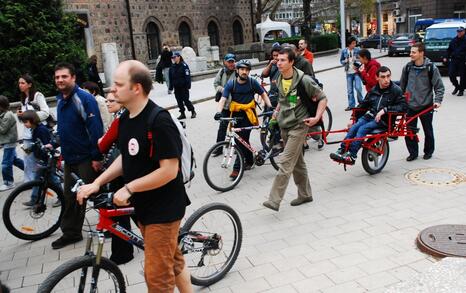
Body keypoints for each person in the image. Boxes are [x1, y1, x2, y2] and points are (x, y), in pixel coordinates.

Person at [77, 60, 193, 293]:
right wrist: (97, 183)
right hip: (144, 207)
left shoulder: (159, 120)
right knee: (172, 259)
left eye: (118, 85)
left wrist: (129, 188)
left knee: (157, 278)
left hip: (164, 210)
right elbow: (126, 159)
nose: (112, 90)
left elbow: (169, 170)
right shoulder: (126, 119)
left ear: (136, 88)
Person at [262, 47, 327, 212]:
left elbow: (322, 98)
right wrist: (274, 117)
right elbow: (282, 102)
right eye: (278, 60)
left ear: (291, 62)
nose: (279, 62)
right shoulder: (279, 77)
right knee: (298, 163)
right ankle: (305, 194)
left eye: (283, 60)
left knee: (286, 162)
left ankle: (274, 199)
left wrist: (317, 117)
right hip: (285, 125)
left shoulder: (304, 80)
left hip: (299, 125)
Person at [52, 62, 103, 249]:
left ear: (73, 78)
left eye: (64, 76)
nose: (60, 80)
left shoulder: (84, 98)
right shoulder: (60, 100)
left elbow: (95, 128)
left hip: (86, 157)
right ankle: (71, 233)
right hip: (69, 158)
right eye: (57, 77)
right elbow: (65, 128)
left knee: (96, 194)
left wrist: (97, 157)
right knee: (70, 197)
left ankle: (117, 224)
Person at [330, 66, 407, 165]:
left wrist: (385, 110)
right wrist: (352, 118)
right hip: (370, 116)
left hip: (384, 120)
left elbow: (403, 106)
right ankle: (342, 150)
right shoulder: (374, 90)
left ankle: (352, 155)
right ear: (377, 78)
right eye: (383, 77)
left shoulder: (396, 90)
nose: (386, 80)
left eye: (388, 76)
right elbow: (363, 105)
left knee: (362, 129)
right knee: (354, 127)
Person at [215, 59, 272, 179]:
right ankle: (250, 160)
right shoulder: (231, 84)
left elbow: (263, 94)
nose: (244, 72)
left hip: (248, 115)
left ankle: (237, 168)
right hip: (235, 115)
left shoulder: (252, 83)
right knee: (242, 140)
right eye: (242, 69)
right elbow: (223, 99)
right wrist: (218, 112)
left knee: (241, 140)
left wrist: (270, 107)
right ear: (237, 70)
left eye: (247, 70)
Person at [96, 92, 134, 265]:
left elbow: (103, 144)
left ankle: (123, 253)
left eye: (112, 101)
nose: (108, 103)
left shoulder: (121, 119)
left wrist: (101, 141)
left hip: (126, 174)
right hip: (123, 171)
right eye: (107, 101)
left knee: (121, 210)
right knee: (127, 209)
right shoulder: (121, 117)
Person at [400, 42, 444, 161]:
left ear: (421, 53)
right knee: (409, 131)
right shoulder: (408, 67)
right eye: (411, 52)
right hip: (410, 105)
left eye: (413, 52)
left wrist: (438, 100)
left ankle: (428, 151)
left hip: (426, 106)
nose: (411, 54)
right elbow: (401, 86)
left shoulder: (431, 68)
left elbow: (439, 86)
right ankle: (413, 153)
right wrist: (401, 101)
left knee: (428, 130)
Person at [20, 110, 61, 206]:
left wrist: (45, 158)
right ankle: (34, 199)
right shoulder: (34, 129)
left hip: (47, 159)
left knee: (53, 179)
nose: (24, 124)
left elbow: (46, 145)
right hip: (41, 159)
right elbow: (37, 144)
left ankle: (61, 196)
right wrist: (30, 149)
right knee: (37, 178)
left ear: (32, 120)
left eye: (26, 122)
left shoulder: (41, 130)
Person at [17, 74, 50, 188]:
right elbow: (25, 120)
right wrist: (21, 116)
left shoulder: (37, 96)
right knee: (28, 160)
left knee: (41, 160)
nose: (20, 85)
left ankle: (40, 185)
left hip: (38, 132)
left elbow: (46, 112)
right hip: (27, 134)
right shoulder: (24, 99)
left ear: (29, 84)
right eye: (19, 83)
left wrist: (30, 116)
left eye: (23, 83)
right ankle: (31, 184)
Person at [211, 53, 237, 156]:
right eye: (229, 61)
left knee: (237, 128)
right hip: (225, 105)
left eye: (232, 61)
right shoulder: (221, 71)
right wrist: (223, 90)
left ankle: (238, 148)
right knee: (222, 127)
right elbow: (216, 84)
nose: (231, 64)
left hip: (236, 105)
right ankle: (219, 148)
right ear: (225, 62)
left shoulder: (238, 71)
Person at [0, 95, 24, 191]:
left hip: (9, 142)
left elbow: (3, 130)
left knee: (6, 163)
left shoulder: (8, 115)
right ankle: (31, 172)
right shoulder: (4, 115)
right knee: (14, 160)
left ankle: (8, 182)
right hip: (8, 142)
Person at [169, 52, 196, 119]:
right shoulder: (172, 67)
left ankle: (193, 111)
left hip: (183, 86)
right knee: (179, 101)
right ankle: (182, 113)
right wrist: (170, 87)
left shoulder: (184, 65)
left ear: (179, 57)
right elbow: (170, 78)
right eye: (173, 58)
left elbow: (187, 76)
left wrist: (188, 85)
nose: (174, 59)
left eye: (175, 57)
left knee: (186, 100)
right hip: (176, 87)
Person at [340, 37, 363, 110]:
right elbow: (341, 61)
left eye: (355, 43)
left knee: (358, 88)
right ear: (349, 44)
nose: (354, 44)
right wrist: (345, 61)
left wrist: (356, 59)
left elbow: (362, 59)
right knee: (350, 90)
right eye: (353, 43)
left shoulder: (357, 50)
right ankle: (351, 105)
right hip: (348, 72)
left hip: (356, 72)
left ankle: (361, 103)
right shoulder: (344, 51)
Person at [443, 26, 466, 96]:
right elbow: (449, 50)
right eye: (458, 31)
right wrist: (445, 57)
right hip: (454, 60)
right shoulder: (453, 40)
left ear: (464, 32)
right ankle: (457, 86)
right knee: (451, 74)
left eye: (461, 31)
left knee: (463, 76)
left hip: (463, 60)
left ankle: (461, 90)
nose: (459, 33)